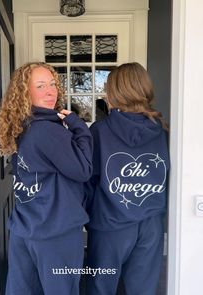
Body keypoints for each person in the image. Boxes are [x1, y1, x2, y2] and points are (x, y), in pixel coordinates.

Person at [0, 62, 93, 295]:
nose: (50, 91)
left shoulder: (21, 125)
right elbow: (83, 170)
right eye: (40, 86)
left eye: (52, 84)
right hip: (55, 232)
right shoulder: (47, 130)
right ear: (24, 92)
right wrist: (79, 127)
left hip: (25, 227)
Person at [85, 62, 170, 295]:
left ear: (116, 93)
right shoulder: (163, 132)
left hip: (108, 224)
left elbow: (88, 180)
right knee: (143, 288)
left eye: (107, 88)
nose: (104, 93)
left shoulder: (99, 131)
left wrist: (88, 215)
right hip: (150, 224)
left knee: (101, 287)